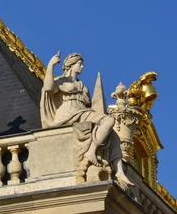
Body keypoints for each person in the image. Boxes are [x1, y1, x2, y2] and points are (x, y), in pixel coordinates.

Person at [41, 52, 132, 185]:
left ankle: (118, 170)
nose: (82, 67)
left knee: (113, 134)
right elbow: (48, 87)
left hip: (82, 112)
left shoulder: (83, 86)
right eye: (80, 64)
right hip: (69, 114)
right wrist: (51, 64)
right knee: (108, 121)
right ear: (71, 65)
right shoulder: (61, 81)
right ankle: (91, 151)